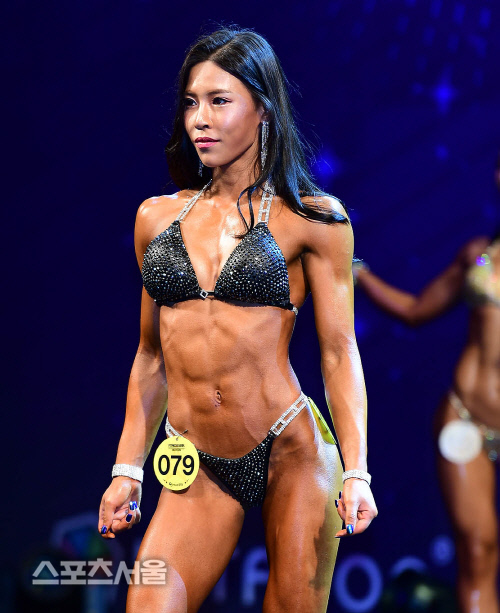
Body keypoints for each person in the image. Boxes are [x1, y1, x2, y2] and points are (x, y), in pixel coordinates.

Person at [98, 27, 377, 613]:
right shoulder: (156, 219)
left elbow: (338, 352)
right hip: (194, 461)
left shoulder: (312, 219)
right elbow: (151, 356)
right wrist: (127, 468)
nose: (200, 119)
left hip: (290, 452)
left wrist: (358, 471)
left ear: (263, 110)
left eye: (219, 101)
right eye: (191, 102)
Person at [353, 159, 500, 613]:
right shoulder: (479, 256)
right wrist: (357, 272)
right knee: (478, 551)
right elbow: (416, 310)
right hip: (466, 418)